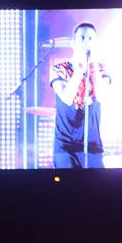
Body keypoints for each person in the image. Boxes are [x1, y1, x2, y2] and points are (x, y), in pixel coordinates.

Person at [50, 21, 111, 169]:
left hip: (92, 145)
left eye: (90, 39)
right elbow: (66, 98)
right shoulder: (59, 68)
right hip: (65, 146)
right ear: (73, 42)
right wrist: (78, 72)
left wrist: (93, 70)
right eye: (82, 38)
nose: (86, 43)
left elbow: (102, 96)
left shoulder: (102, 70)